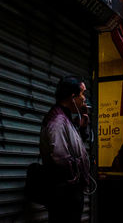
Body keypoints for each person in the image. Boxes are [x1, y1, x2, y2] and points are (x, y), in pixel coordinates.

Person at [39, 75, 91, 223]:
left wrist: (82, 127)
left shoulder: (66, 118)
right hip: (65, 193)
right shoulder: (58, 120)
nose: (84, 99)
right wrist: (78, 175)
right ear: (72, 96)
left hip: (69, 191)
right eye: (82, 94)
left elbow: (74, 145)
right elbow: (61, 157)